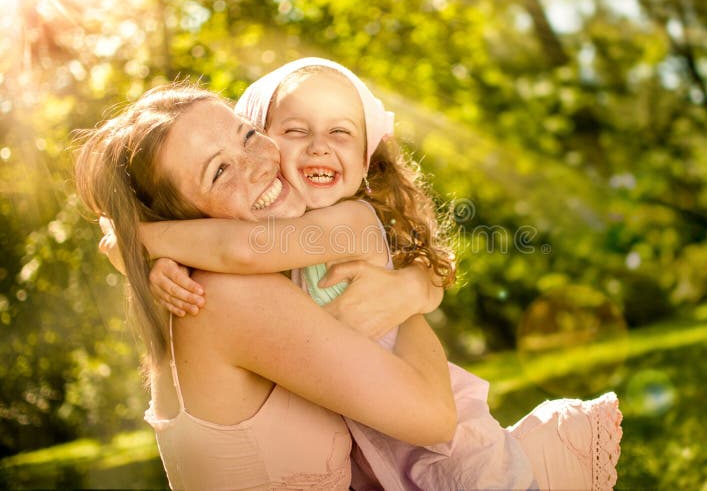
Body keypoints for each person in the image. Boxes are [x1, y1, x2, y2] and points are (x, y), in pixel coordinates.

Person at [141, 58, 623, 490]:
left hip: (452, 450)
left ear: (366, 159)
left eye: (341, 133)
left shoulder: (349, 222)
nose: (320, 147)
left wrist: (142, 240)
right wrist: (169, 265)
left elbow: (240, 250)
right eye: (294, 131)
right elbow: (230, 249)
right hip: (381, 450)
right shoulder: (277, 252)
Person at [74, 83, 459, 490]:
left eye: (248, 135)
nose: (259, 164)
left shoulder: (275, 272)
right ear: (181, 219)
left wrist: (416, 283)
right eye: (219, 171)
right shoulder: (225, 295)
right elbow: (435, 416)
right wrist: (409, 300)